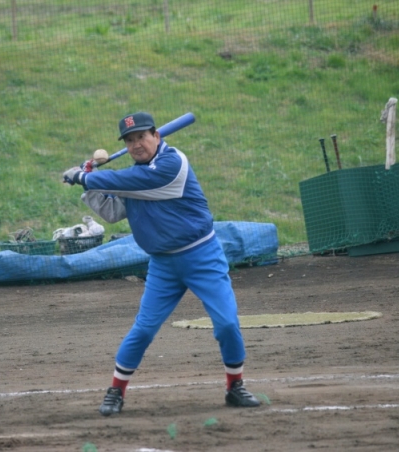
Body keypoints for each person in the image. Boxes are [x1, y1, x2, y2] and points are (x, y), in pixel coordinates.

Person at [63, 112, 261, 416]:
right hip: (163, 265)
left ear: (156, 136)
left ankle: (235, 386)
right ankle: (116, 391)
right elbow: (113, 211)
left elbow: (135, 182)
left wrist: (85, 176)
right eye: (130, 140)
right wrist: (88, 184)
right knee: (143, 330)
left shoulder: (172, 164)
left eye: (141, 137)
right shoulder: (134, 177)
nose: (136, 144)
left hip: (202, 256)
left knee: (227, 324)